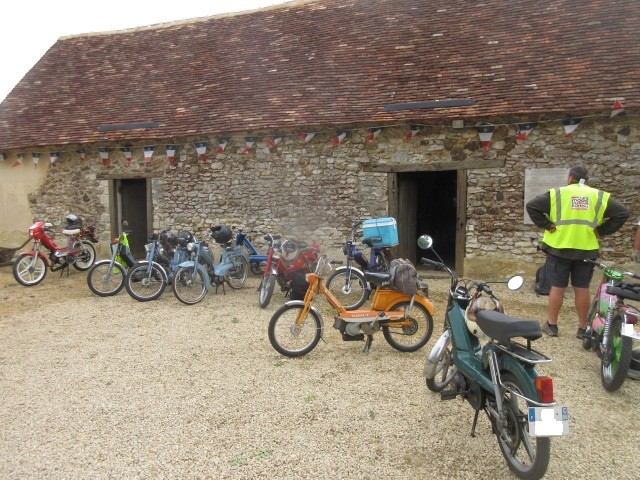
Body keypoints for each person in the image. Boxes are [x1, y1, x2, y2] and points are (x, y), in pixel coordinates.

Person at [526, 165, 629, 338]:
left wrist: (547, 225)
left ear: (570, 178)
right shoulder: (598, 196)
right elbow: (623, 213)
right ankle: (582, 329)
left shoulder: (558, 194)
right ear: (586, 180)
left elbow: (532, 206)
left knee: (557, 288)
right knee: (582, 288)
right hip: (586, 250)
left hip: (559, 248)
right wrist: (602, 230)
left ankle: (552, 325)